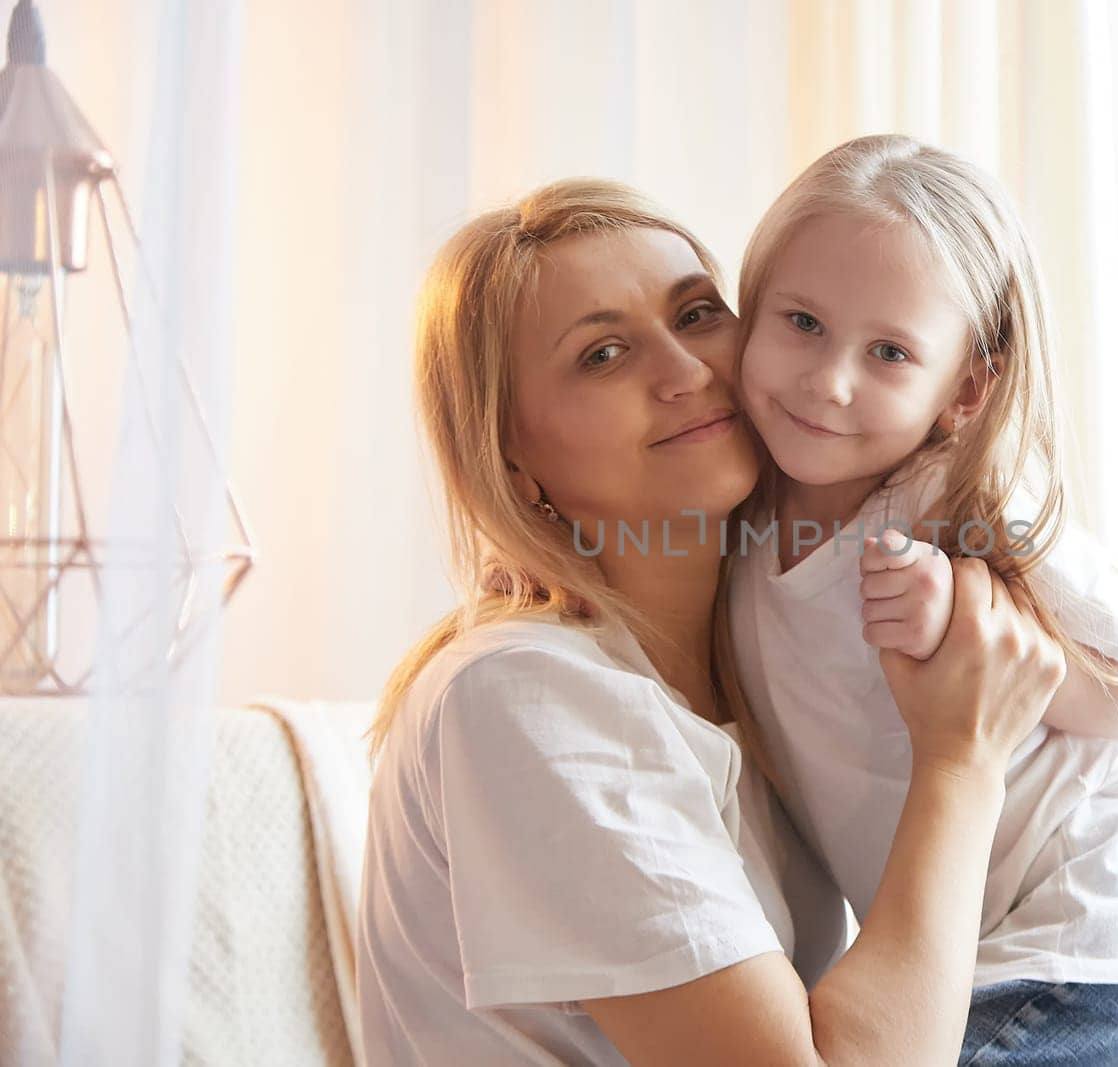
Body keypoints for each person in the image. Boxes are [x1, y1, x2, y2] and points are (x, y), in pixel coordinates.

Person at [356, 178, 1068, 1066]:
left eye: (698, 314)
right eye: (604, 354)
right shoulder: (522, 691)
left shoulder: (760, 670)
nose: (689, 371)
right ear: (511, 452)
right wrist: (962, 760)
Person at [727, 134, 1118, 1065]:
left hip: (1096, 945)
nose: (828, 380)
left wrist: (972, 630)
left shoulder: (956, 504)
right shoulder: (737, 512)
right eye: (801, 321)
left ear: (965, 389)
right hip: (961, 969)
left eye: (888, 352)